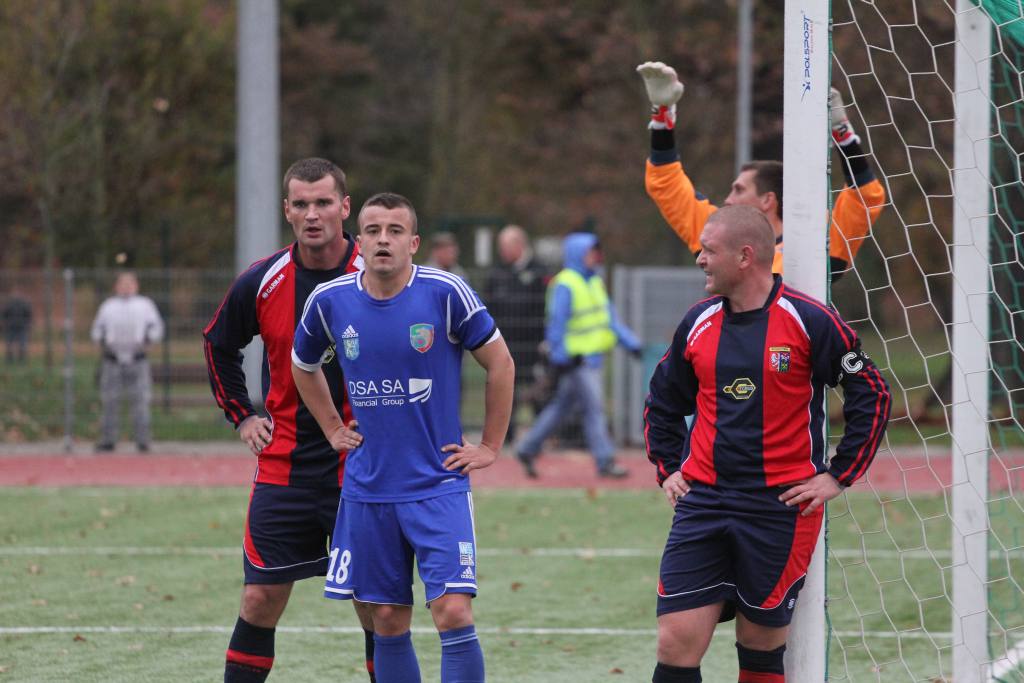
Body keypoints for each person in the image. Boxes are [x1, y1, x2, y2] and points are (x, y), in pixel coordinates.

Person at [643, 205, 891, 683]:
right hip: (704, 503)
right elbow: (663, 400)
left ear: (745, 256)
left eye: (709, 250)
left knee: (759, 649)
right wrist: (668, 467)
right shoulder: (698, 321)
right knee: (674, 644)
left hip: (779, 509)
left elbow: (873, 394)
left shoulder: (808, 319)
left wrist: (838, 476)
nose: (699, 259)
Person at [291, 192, 514, 683]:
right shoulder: (329, 302)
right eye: (373, 231)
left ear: (413, 242)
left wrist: (490, 446)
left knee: (453, 611)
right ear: (360, 240)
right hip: (369, 489)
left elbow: (500, 363)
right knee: (388, 618)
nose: (383, 240)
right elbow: (302, 365)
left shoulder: (445, 292)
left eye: (395, 231)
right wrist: (332, 427)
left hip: (438, 484)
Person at [203, 158, 375, 682]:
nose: (312, 214)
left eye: (323, 202)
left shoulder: (379, 274)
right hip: (285, 469)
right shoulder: (264, 279)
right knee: (259, 599)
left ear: (345, 207)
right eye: (301, 204)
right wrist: (242, 415)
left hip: (363, 470)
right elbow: (218, 343)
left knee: (377, 606)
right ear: (287, 211)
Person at [636, 61, 886, 281]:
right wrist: (662, 117)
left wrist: (842, 134)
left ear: (768, 200)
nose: (727, 200)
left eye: (739, 190)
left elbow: (866, 198)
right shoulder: (719, 234)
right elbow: (666, 185)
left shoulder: (816, 241)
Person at [514, 232, 642, 479]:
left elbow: (609, 319)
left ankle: (527, 448)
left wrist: (631, 343)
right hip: (577, 361)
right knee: (594, 409)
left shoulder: (594, 282)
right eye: (591, 252)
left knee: (560, 408)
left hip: (589, 359)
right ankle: (605, 460)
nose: (596, 256)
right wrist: (561, 357)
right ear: (578, 254)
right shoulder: (566, 283)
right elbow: (556, 324)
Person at [483, 224, 549, 442]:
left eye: (505, 246)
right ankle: (507, 436)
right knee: (506, 389)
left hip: (533, 345)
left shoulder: (540, 271)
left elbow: (544, 307)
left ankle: (541, 437)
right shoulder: (497, 273)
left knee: (538, 391)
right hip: (506, 343)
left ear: (520, 245)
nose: (502, 251)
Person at [90, 271, 164, 452]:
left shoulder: (145, 305)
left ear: (136, 285)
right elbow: (97, 329)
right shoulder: (108, 306)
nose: (126, 287)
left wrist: (149, 339)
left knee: (141, 401)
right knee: (109, 401)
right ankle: (108, 440)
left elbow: (156, 327)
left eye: (129, 283)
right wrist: (102, 342)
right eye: (122, 283)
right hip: (112, 360)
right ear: (116, 286)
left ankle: (143, 440)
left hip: (138, 360)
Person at [2, 291, 32, 362]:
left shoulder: (23, 305)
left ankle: (21, 359)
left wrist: (28, 324)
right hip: (11, 327)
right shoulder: (9, 305)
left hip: (21, 327)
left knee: (22, 344)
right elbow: (4, 315)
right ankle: (10, 359)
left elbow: (28, 315)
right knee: (10, 344)